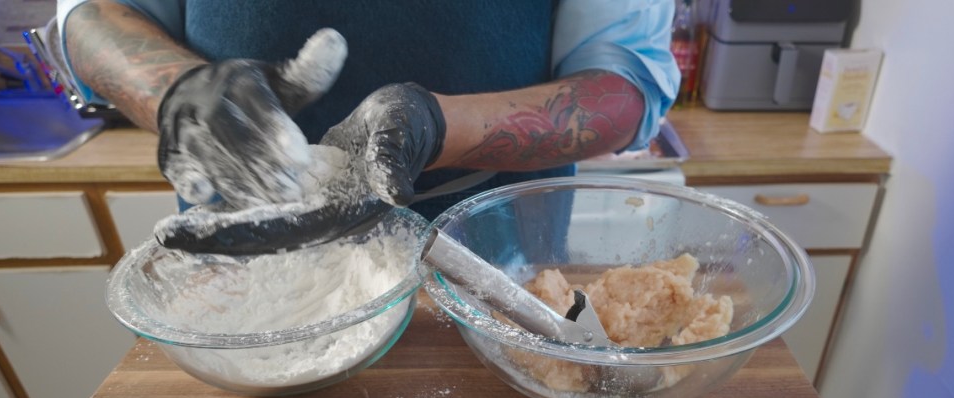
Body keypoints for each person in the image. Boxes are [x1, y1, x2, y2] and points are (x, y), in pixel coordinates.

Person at [56, 0, 679, 252]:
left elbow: (624, 86)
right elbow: (94, 17)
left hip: (497, 265)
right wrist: (180, 91)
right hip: (245, 244)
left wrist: (433, 127)